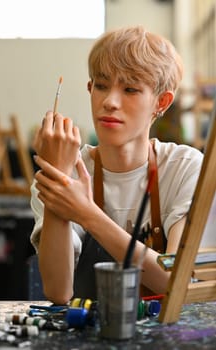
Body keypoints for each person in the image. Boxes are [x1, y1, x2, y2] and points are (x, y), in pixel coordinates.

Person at [30, 25, 203, 305]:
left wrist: (87, 214)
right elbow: (58, 291)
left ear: (161, 102)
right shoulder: (67, 171)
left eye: (130, 89)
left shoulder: (185, 168)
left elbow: (177, 282)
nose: (109, 102)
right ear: (90, 89)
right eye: (101, 85)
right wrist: (58, 180)